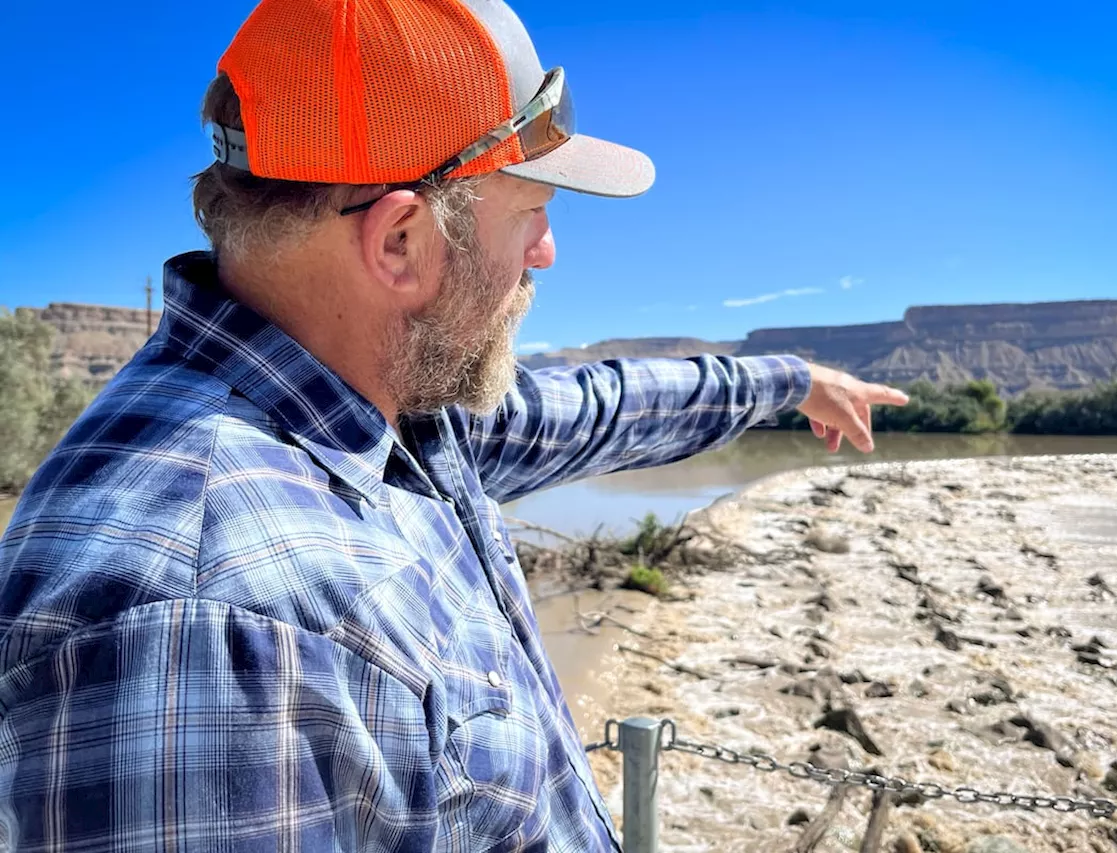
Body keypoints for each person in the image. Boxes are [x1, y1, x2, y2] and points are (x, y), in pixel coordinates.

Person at [0, 0, 908, 849]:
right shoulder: (211, 626)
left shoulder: (384, 419)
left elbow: (601, 406)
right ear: (400, 242)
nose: (546, 252)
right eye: (534, 213)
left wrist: (793, 380)